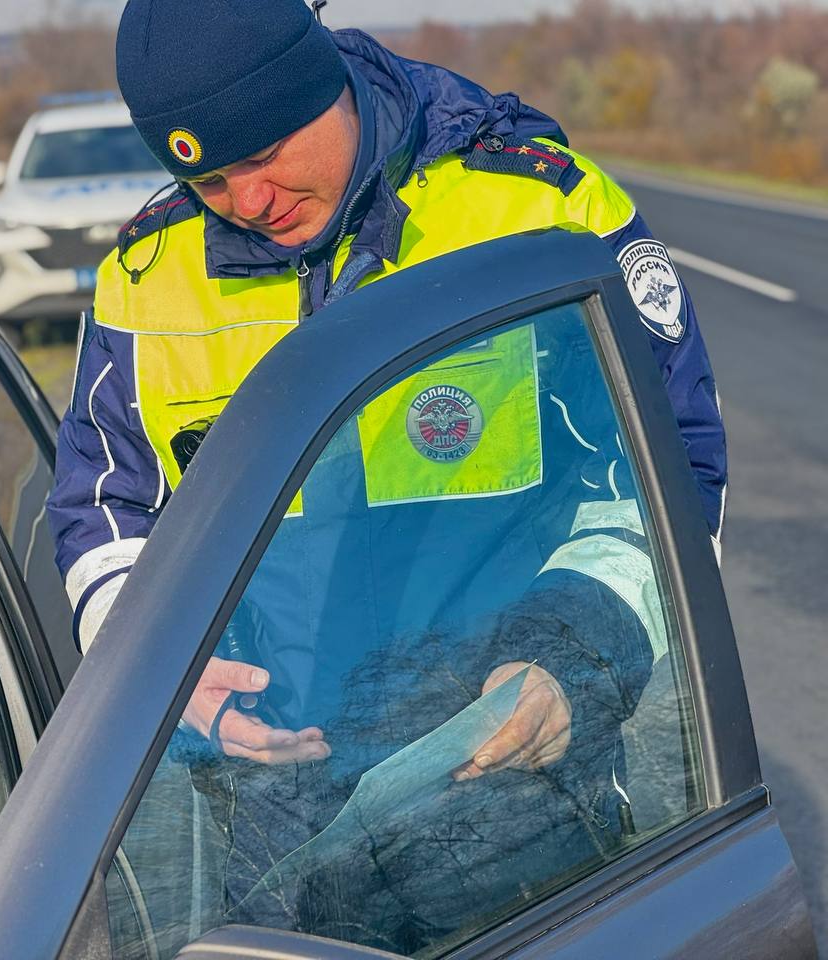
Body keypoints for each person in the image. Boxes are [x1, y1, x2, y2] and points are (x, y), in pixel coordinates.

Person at [47, 0, 725, 951]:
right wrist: (172, 680)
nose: (248, 200)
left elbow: (666, 474)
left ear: (325, 82)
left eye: (267, 151)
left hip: (518, 784)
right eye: (204, 175)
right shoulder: (147, 277)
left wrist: (570, 659)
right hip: (274, 819)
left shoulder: (538, 209)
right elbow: (105, 511)